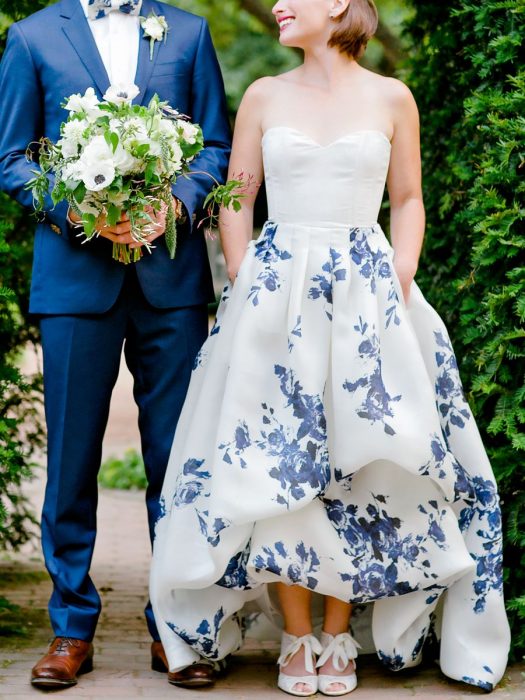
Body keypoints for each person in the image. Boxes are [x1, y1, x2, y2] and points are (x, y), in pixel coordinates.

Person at [150, 0, 511, 695]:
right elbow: (237, 195)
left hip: (367, 293)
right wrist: (244, 278)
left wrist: (397, 278)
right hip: (274, 294)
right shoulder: (263, 94)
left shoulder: (390, 97)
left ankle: (338, 633)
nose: (279, 4)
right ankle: (295, 633)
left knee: (358, 459)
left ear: (340, 3)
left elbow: (406, 198)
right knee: (279, 463)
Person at [0, 0, 230, 690]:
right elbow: (11, 158)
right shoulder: (33, 36)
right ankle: (71, 626)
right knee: (71, 459)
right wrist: (75, 209)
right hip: (74, 282)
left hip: (172, 282)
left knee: (178, 458)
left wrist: (178, 204)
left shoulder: (188, 32)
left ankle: (176, 626)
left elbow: (214, 145)